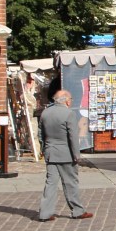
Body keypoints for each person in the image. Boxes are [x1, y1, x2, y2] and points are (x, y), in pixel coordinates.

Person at [38, 90, 92, 222]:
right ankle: (77, 211)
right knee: (70, 183)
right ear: (66, 100)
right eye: (71, 99)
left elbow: (40, 134)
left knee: (50, 183)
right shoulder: (68, 114)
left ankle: (45, 213)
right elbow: (72, 136)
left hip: (51, 152)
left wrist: (44, 148)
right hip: (66, 153)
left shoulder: (45, 112)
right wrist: (76, 155)